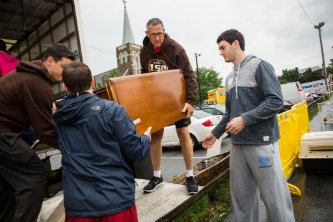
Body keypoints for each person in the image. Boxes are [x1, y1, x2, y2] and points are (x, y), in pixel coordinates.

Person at [202, 29, 295, 222]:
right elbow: (229, 113)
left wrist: (245, 119)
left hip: (261, 143)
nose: (220, 52)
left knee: (274, 198)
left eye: (222, 47)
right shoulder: (228, 78)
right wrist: (215, 134)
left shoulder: (259, 66)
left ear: (236, 44)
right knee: (242, 200)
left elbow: (276, 101)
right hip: (237, 146)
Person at [52, 62, 152, 222]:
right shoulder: (113, 110)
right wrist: (146, 138)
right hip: (115, 199)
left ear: (65, 87)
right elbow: (136, 151)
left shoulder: (58, 116)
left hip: (78, 205)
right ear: (92, 81)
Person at [0, 43, 76, 222]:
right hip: (3, 133)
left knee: (8, 183)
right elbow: (44, 131)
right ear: (50, 61)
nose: (65, 73)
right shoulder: (38, 85)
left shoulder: (28, 75)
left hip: (5, 131)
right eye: (63, 67)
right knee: (34, 174)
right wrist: (72, 147)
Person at [140, 18, 198, 195]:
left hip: (177, 99)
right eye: (153, 35)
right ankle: (157, 176)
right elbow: (144, 77)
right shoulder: (144, 52)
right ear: (147, 34)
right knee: (155, 136)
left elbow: (189, 75)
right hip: (157, 102)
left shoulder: (176, 49)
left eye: (160, 34)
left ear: (164, 31)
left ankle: (190, 176)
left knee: (183, 134)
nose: (157, 38)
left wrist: (190, 100)